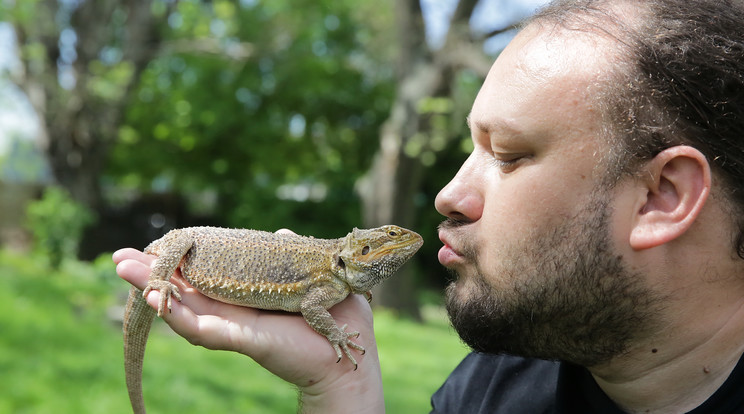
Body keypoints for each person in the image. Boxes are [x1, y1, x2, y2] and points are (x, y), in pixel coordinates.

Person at [113, 0, 744, 412]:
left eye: (511, 154)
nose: (447, 195)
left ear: (662, 197)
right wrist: (340, 390)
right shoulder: (489, 389)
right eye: (471, 146)